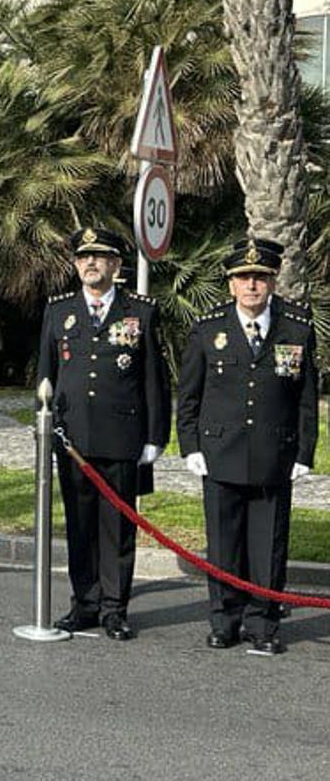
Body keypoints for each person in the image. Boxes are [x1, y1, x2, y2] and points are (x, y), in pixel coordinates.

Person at [177, 237, 317, 656]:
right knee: (223, 544)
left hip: (274, 454)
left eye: (260, 277)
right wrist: (190, 446)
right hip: (220, 454)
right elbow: (189, 396)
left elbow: (306, 398)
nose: (252, 285)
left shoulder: (296, 328)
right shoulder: (209, 328)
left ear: (273, 281)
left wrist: (304, 452)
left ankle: (263, 623)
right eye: (243, 278)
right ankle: (224, 620)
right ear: (231, 284)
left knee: (268, 545)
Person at [36, 227, 170, 640]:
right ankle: (85, 603)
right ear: (76, 265)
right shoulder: (59, 311)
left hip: (121, 436)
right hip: (72, 438)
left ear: (115, 265)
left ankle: (114, 607)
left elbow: (155, 380)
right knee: (79, 524)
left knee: (117, 527)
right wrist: (44, 428)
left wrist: (154, 437)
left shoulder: (141, 312)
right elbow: (46, 375)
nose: (90, 264)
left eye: (99, 257)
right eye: (83, 257)